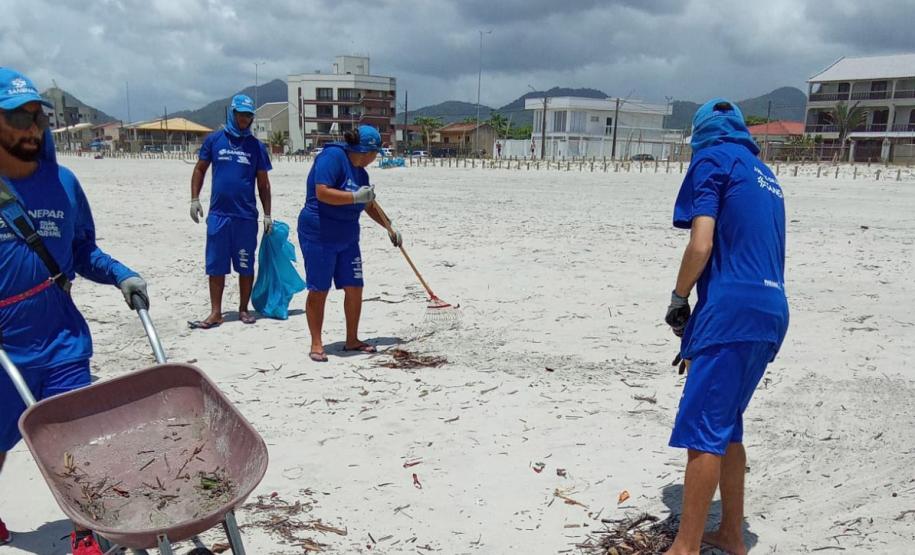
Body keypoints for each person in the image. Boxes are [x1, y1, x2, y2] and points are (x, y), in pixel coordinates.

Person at [0, 67, 148, 555]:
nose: (31, 128)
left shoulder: (64, 183)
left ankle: (87, 532)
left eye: (37, 117)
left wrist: (122, 274)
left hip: (63, 338)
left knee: (75, 441)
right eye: (17, 117)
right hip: (4, 347)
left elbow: (83, 251)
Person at [662, 99, 789, 555]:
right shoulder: (766, 175)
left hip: (731, 311)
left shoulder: (713, 158)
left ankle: (685, 547)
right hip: (771, 310)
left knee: (703, 431)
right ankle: (732, 534)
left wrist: (679, 299)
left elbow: (701, 244)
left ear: (700, 135)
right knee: (727, 425)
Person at [297, 125, 402, 362]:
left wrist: (389, 227)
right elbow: (322, 192)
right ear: (367, 151)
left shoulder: (361, 173)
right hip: (319, 233)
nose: (375, 159)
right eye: (376, 154)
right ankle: (316, 343)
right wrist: (355, 197)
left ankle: (352, 339)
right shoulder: (332, 157)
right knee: (319, 288)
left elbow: (369, 204)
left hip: (347, 237)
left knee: (355, 287)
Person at [188, 94, 272, 329]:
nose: (245, 119)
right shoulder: (214, 140)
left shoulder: (256, 146)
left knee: (246, 264)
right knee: (216, 265)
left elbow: (263, 183)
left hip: (245, 216)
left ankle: (243, 309)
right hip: (219, 215)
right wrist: (194, 198)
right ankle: (215, 312)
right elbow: (200, 170)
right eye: (241, 114)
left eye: (249, 115)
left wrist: (267, 214)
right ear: (232, 113)